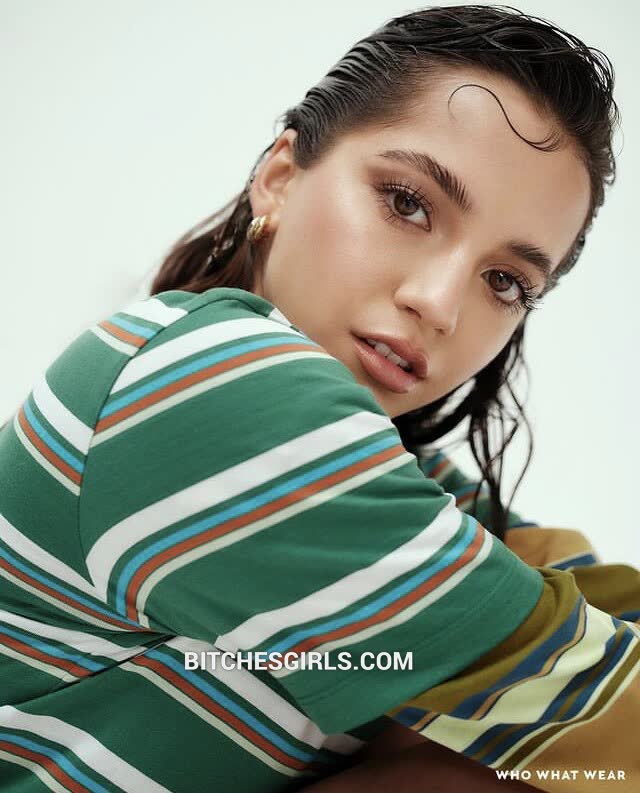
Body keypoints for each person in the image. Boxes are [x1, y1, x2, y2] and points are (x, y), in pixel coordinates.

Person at [0, 5, 638, 793]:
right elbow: (614, 723)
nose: (439, 303)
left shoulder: (402, 488)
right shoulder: (205, 382)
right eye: (407, 203)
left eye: (505, 280)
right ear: (279, 176)